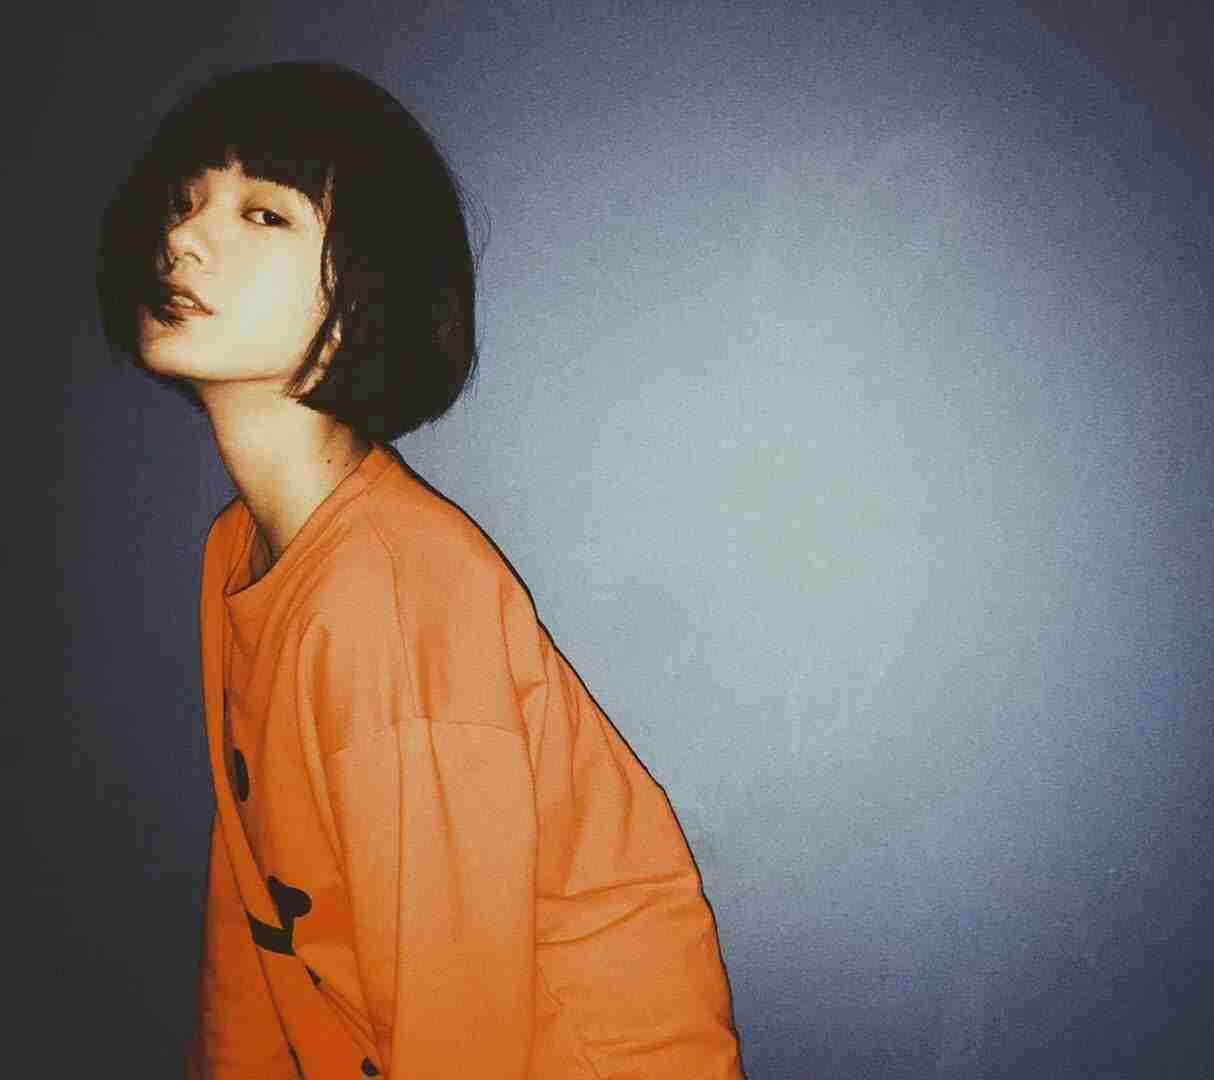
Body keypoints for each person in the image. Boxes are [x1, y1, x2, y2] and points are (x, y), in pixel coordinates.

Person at [96, 61, 745, 1079]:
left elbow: (457, 1013)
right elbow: (255, 912)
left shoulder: (392, 593)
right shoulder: (240, 551)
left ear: (365, 292)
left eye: (263, 214)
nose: (182, 238)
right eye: (184, 203)